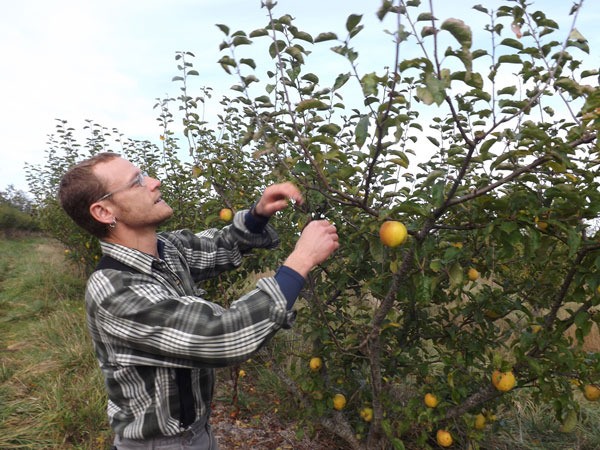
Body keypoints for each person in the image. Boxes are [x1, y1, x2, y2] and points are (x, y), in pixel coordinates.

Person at [58, 152, 339, 449]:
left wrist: (258, 215)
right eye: (137, 182)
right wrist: (302, 259)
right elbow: (220, 335)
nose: (155, 182)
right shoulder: (115, 291)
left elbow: (221, 244)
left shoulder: (166, 249)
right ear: (104, 212)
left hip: (198, 434)